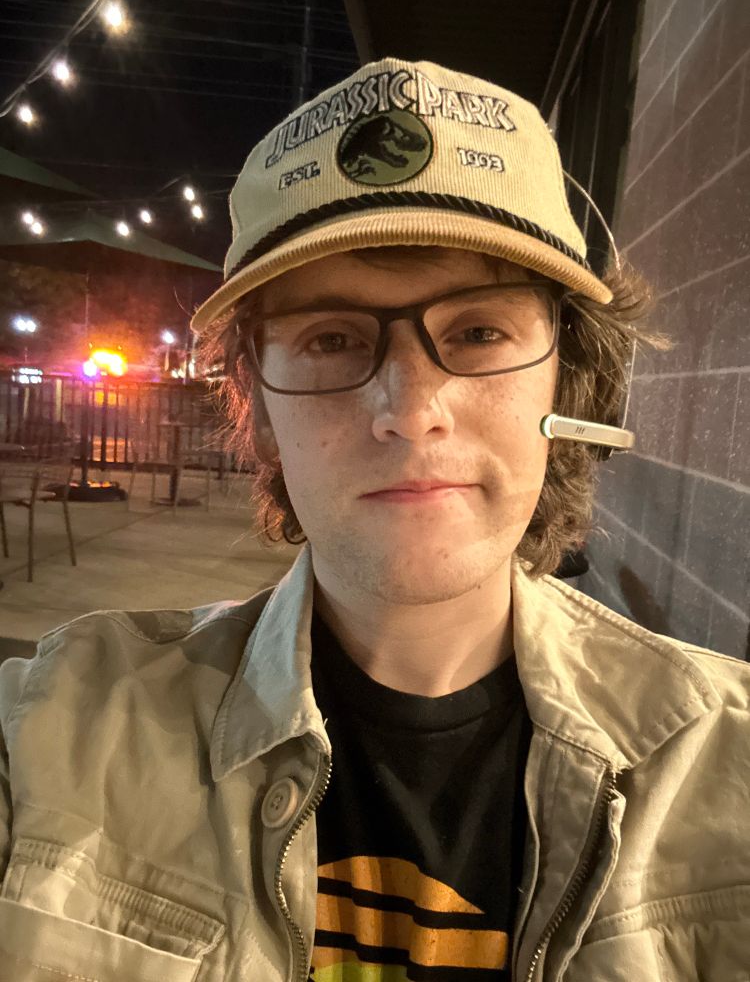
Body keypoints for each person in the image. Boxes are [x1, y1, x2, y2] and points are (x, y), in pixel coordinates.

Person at [0, 58, 747, 982]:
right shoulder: (57, 734)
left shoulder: (726, 765)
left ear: (568, 383)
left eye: (478, 332)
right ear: (259, 411)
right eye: (332, 339)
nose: (411, 408)